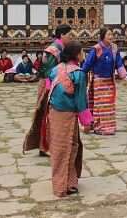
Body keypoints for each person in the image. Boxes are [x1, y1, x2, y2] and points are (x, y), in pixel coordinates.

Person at [47, 41, 92, 197]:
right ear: (76, 55)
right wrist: (87, 122)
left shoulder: (55, 70)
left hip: (54, 113)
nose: (84, 54)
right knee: (69, 148)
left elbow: (48, 88)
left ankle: (69, 182)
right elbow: (81, 101)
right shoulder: (78, 74)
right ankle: (63, 185)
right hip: (67, 115)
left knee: (60, 149)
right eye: (82, 52)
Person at [24, 24, 74, 156]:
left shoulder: (61, 48)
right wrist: (49, 89)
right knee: (47, 115)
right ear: (62, 35)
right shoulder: (54, 50)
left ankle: (45, 145)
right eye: (69, 35)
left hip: (55, 84)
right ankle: (45, 146)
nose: (71, 38)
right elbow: (48, 72)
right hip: (49, 84)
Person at [81, 28, 127, 135]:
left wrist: (124, 77)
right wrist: (80, 74)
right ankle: (99, 127)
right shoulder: (96, 49)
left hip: (109, 81)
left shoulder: (115, 48)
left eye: (112, 34)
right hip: (98, 81)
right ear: (103, 36)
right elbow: (88, 64)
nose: (111, 36)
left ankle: (109, 126)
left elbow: (119, 63)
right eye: (108, 34)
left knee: (109, 105)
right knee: (100, 105)